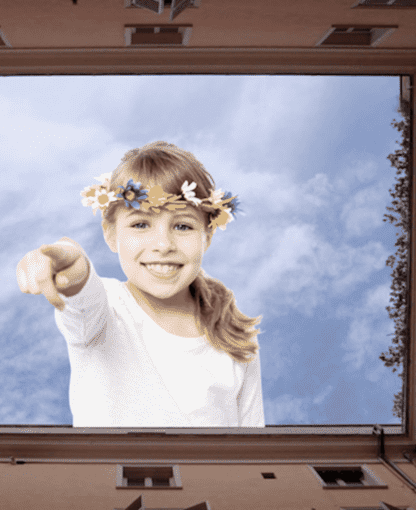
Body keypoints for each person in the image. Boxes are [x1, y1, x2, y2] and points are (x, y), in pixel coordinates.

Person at [16, 141, 263, 427]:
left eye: (183, 226)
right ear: (110, 234)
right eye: (140, 225)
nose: (163, 245)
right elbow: (81, 288)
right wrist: (67, 259)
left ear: (207, 236)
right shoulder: (103, 312)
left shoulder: (237, 339)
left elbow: (254, 445)